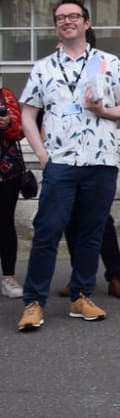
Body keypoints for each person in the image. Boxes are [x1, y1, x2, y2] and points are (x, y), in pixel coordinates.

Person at [16, 0, 120, 331]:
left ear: (86, 23)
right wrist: (42, 155)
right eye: (60, 18)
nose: (67, 21)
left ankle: (81, 295)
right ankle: (33, 301)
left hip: (101, 160)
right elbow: (28, 114)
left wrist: (105, 112)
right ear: (56, 26)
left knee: (90, 233)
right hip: (61, 163)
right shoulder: (43, 67)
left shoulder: (108, 62)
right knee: (47, 231)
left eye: (73, 16)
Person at [0, 84, 25, 299]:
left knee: (5, 223)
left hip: (6, 173)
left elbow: (21, 130)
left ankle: (8, 276)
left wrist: (8, 123)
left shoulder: (5, 95)